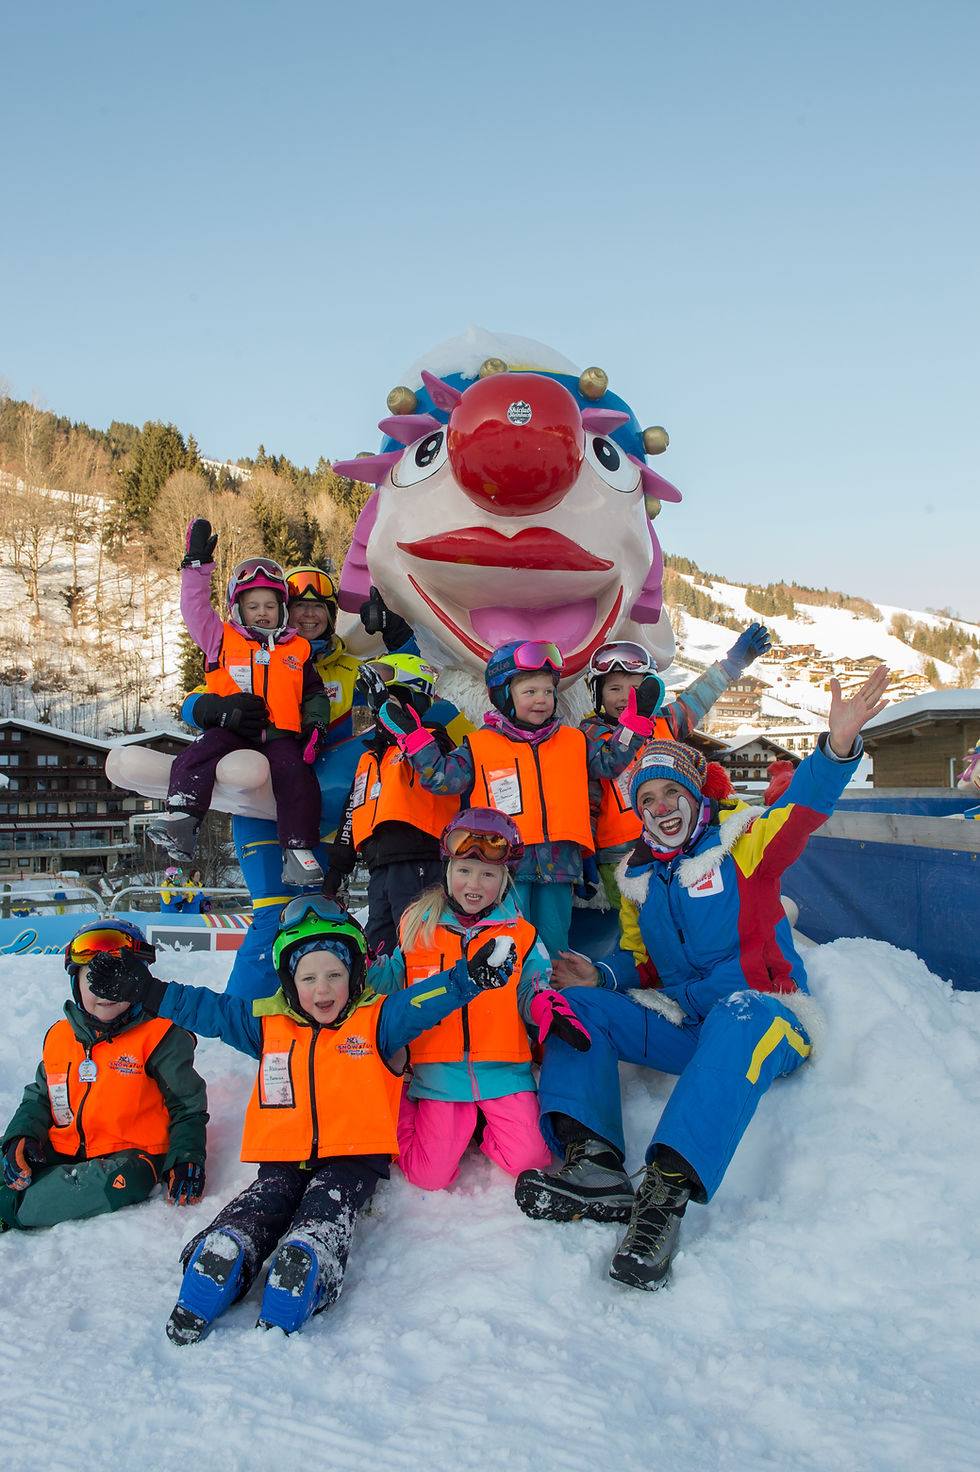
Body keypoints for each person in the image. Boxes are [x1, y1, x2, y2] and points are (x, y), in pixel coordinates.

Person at [514, 666, 890, 1292]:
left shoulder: (741, 845)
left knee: (742, 1013)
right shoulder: (637, 880)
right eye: (647, 801)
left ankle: (661, 1199)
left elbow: (799, 813)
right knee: (572, 1006)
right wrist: (599, 974)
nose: (660, 809)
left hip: (765, 1017)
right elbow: (644, 962)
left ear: (695, 797)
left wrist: (837, 749)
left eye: (671, 795)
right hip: (684, 1019)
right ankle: (596, 1164)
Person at [83, 896, 521, 1340]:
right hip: (282, 1157)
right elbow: (208, 1010)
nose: (323, 989)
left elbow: (421, 1002)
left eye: (335, 974)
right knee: (263, 1201)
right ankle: (228, 1247)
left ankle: (307, 1256)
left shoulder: (377, 1021)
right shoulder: (265, 1025)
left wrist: (469, 978)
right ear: (290, 983)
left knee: (328, 1206)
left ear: (354, 974)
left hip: (352, 1158)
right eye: (308, 977)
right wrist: (149, 991)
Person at [377, 640, 663, 958]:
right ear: (505, 696)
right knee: (508, 944)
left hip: (559, 864)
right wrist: (415, 740)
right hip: (503, 867)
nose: (541, 700)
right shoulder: (481, 744)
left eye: (548, 691)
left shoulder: (574, 740)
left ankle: (550, 1003)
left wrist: (633, 726)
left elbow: (612, 761)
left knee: (554, 945)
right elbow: (442, 778)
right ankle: (509, 1002)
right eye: (530, 692)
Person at [370, 809, 586, 1190]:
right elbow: (393, 982)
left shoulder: (522, 934)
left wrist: (550, 1010)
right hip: (438, 1073)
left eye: (488, 874)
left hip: (503, 1072)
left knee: (532, 1161)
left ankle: (481, 1124)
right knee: (428, 1176)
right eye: (464, 870)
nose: (474, 883)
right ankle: (405, 1106)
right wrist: (364, 966)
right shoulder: (417, 926)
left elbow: (532, 989)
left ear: (504, 881)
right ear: (447, 871)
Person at [0, 919, 207, 1232]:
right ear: (76, 984)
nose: (106, 991)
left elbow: (188, 1107)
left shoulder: (160, 1036)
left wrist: (186, 1154)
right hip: (66, 1147)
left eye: (119, 978)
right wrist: (22, 1135)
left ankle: (15, 1208)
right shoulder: (60, 1036)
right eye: (93, 980)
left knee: (99, 1184)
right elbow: (40, 1097)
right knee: (8, 1157)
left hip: (132, 1158)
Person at [150, 521, 327, 885]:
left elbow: (314, 695)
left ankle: (297, 849)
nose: (262, 612)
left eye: (269, 605)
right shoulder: (220, 638)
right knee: (199, 752)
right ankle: (182, 817)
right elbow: (194, 609)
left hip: (281, 735)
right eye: (252, 606)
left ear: (282, 609)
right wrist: (197, 568)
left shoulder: (298, 650)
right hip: (231, 728)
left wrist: (314, 728)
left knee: (298, 779)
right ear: (237, 610)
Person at [583, 626, 772, 912]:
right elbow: (591, 788)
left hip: (676, 839)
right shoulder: (592, 735)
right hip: (621, 850)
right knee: (635, 920)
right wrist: (584, 847)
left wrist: (731, 665)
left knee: (682, 912)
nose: (625, 697)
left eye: (636, 689)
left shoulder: (665, 722)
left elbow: (697, 698)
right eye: (614, 689)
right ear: (597, 693)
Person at [322, 655, 461, 956]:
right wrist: (337, 869)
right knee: (380, 949)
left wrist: (395, 715)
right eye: (377, 706)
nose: (379, 713)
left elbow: (433, 770)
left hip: (421, 861)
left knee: (418, 946)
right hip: (380, 868)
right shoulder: (370, 758)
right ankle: (386, 1000)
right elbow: (352, 813)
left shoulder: (432, 741)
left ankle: (424, 998)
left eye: (388, 704)